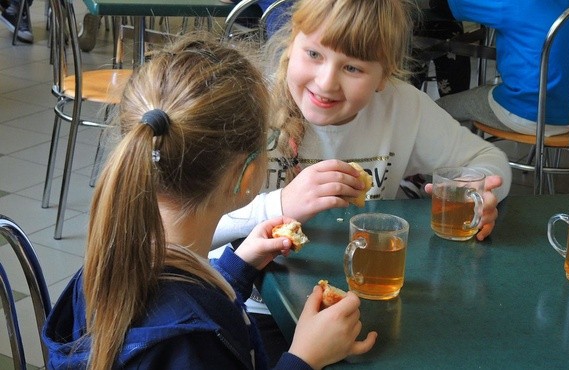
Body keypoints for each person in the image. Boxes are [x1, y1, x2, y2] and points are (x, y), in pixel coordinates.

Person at [41, 33, 376, 369]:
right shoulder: (194, 341)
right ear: (244, 176)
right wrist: (304, 358)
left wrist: (237, 267)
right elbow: (190, 332)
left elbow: (178, 307)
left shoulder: (115, 262)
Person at [213, 0, 511, 249]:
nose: (326, 82)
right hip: (245, 301)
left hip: (359, 285)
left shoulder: (403, 107)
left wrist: (476, 195)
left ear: (384, 76)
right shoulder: (245, 105)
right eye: (314, 54)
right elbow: (179, 227)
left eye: (352, 67)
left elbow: (490, 161)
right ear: (292, 43)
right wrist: (279, 205)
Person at [435, 0, 569, 136]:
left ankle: (454, 170)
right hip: (567, 116)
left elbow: (444, 4)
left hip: (520, 112)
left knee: (439, 107)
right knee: (488, 90)